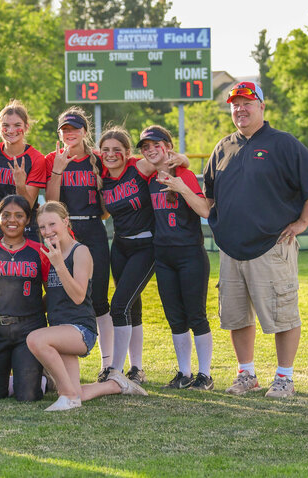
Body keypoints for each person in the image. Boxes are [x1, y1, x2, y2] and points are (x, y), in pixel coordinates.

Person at [203, 82, 308, 398]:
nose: (240, 109)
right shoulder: (223, 147)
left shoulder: (283, 143)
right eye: (235, 104)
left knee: (283, 314)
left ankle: (285, 378)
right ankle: (246, 373)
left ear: (262, 107)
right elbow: (208, 196)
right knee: (236, 316)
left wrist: (303, 222)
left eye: (247, 102)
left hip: (271, 246)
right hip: (232, 249)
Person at [26, 201, 146, 411]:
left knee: (35, 340)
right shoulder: (52, 252)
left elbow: (78, 296)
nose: (47, 231)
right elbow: (54, 295)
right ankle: (117, 384)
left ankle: (68, 397)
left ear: (65, 222)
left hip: (80, 330)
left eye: (52, 224)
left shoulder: (80, 252)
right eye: (42, 227)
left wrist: (58, 265)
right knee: (79, 392)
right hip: (60, 329)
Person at [138, 125, 214, 391]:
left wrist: (182, 186)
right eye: (145, 147)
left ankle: (205, 375)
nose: (150, 150)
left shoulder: (184, 174)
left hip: (190, 253)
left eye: (155, 145)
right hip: (163, 255)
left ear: (167, 147)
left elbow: (205, 210)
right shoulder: (149, 179)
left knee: (196, 315)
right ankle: (184, 372)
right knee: (175, 317)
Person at [44, 108, 113, 379]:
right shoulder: (54, 159)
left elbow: (106, 208)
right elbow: (50, 203)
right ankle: (60, 363)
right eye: (64, 130)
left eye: (74, 129)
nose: (69, 134)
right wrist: (58, 171)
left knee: (98, 299)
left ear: (85, 132)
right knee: (60, 295)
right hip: (62, 230)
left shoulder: (97, 159)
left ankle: (108, 365)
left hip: (93, 227)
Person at [0, 195, 48, 401]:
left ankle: (43, 379)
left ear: (28, 220)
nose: (12, 220)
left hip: (28, 329)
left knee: (28, 396)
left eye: (19, 215)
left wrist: (33, 311)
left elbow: (52, 292)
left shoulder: (38, 251)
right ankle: (23, 377)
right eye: (6, 215)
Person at [97, 127, 156, 386]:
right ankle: (137, 369)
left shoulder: (138, 168)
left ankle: (115, 371)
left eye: (116, 150)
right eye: (106, 150)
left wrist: (185, 161)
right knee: (132, 306)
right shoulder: (102, 178)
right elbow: (104, 213)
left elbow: (170, 157)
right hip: (120, 247)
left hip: (147, 246)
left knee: (119, 305)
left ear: (127, 152)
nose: (111, 155)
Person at [0, 100, 47, 241]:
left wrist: (20, 185)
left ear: (26, 127)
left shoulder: (36, 158)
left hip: (26, 225)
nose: (11, 130)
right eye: (5, 125)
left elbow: (28, 204)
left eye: (17, 125)